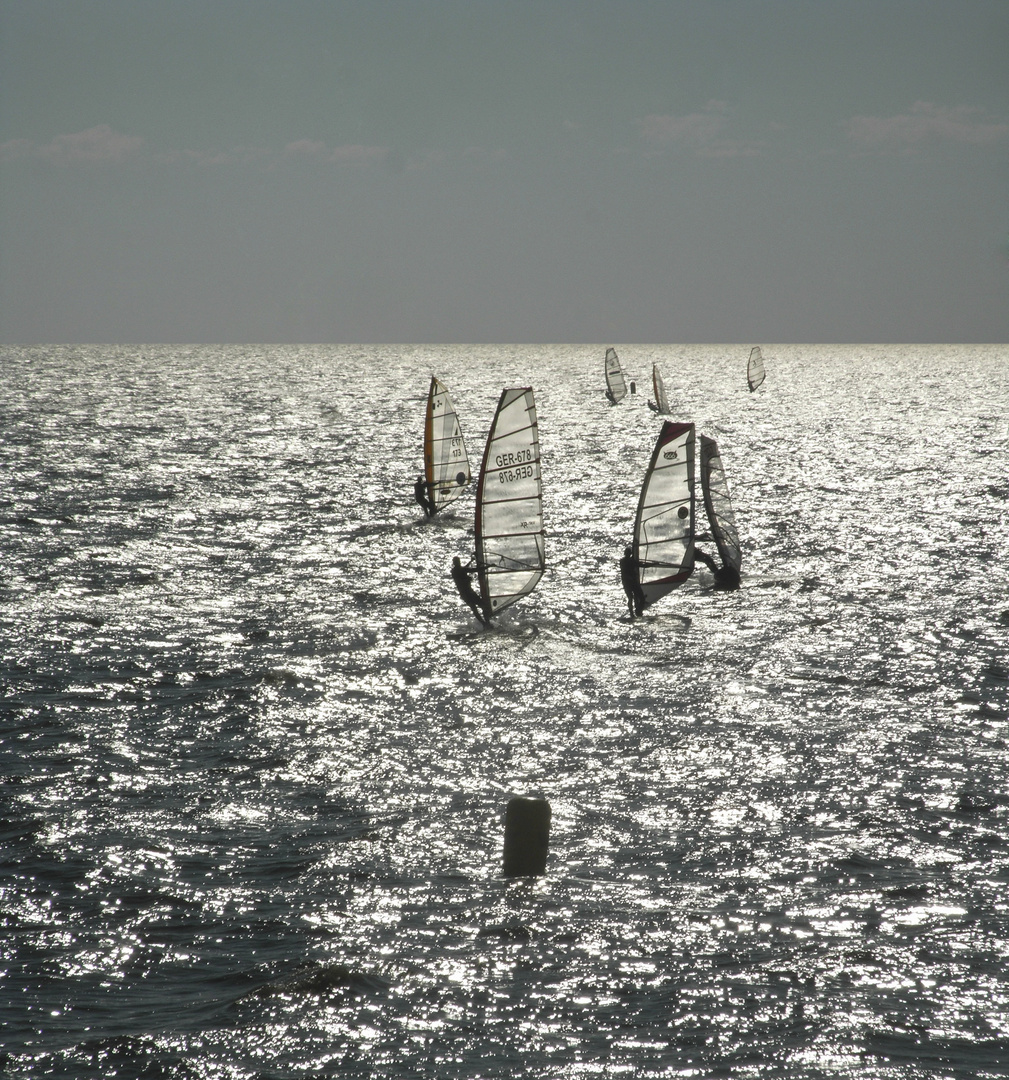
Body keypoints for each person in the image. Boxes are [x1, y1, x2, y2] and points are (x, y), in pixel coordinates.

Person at [452, 556, 489, 626]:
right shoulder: (458, 570)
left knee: (480, 607)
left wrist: (471, 561)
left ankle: (486, 624)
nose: (459, 563)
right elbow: (474, 570)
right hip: (467, 594)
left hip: (467, 593)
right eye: (457, 562)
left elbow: (465, 569)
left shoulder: (455, 570)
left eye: (459, 561)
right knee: (477, 608)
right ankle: (485, 624)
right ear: (455, 563)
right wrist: (488, 567)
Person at [619, 546, 645, 619]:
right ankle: (634, 612)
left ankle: (637, 611)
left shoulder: (627, 561)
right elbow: (640, 565)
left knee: (637, 597)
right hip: (629, 582)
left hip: (630, 582)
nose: (627, 554)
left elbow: (639, 564)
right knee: (631, 597)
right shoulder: (626, 561)